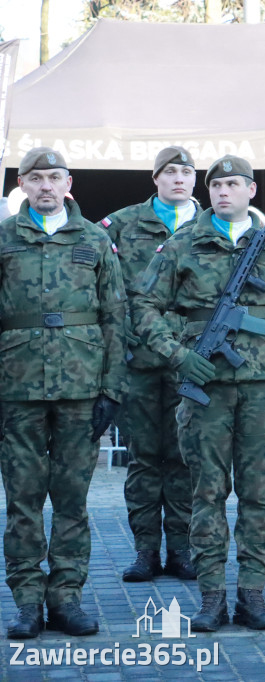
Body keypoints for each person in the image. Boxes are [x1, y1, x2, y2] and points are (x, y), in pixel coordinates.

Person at [132, 154, 265, 632]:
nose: (224, 192)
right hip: (205, 390)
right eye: (216, 185)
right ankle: (212, 595)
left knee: (258, 495)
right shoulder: (182, 244)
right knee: (206, 494)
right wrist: (176, 354)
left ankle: (253, 593)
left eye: (234, 184)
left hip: (263, 390)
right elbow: (145, 307)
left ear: (252, 191)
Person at [2, 147, 127, 638]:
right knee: (23, 502)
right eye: (36, 178)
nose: (46, 186)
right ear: (22, 183)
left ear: (69, 181)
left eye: (54, 177)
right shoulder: (4, 238)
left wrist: (112, 388)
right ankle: (28, 602)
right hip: (18, 387)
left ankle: (67, 598)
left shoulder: (95, 240)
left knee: (72, 501)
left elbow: (116, 317)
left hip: (81, 388)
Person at [102, 146, 200, 584]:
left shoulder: (213, 224)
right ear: (155, 178)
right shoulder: (121, 225)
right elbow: (106, 291)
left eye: (186, 172)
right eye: (170, 172)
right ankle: (145, 550)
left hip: (194, 361)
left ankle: (182, 549)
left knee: (183, 458)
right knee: (143, 459)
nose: (178, 179)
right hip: (140, 361)